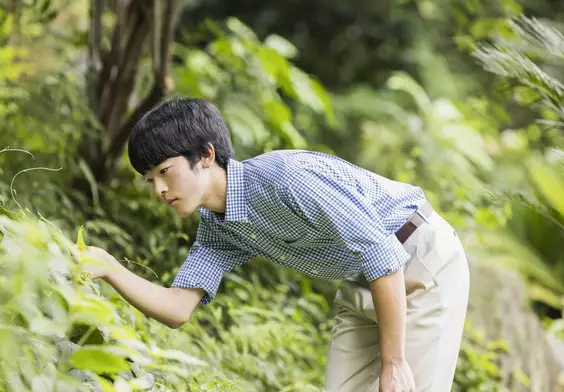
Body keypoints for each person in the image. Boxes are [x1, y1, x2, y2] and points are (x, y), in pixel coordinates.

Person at [81, 97, 470, 392]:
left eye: (164, 171)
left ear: (205, 156)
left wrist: (394, 360)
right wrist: (111, 269)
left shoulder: (287, 178)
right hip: (363, 282)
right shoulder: (219, 228)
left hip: (421, 261)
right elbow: (177, 307)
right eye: (150, 180)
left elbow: (382, 255)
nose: (160, 189)